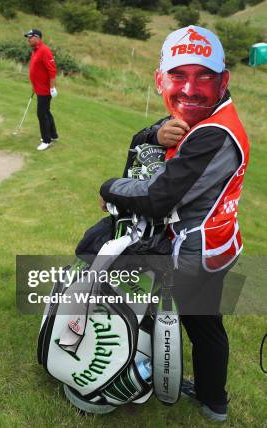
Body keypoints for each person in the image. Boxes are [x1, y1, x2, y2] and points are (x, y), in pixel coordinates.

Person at [99, 26, 250, 423]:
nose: (189, 89)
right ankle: (211, 399)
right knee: (203, 323)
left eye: (204, 76)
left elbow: (158, 197)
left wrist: (110, 188)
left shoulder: (213, 133)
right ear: (161, 79)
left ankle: (123, 376)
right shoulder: (210, 116)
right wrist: (152, 132)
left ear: (223, 80)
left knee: (132, 300)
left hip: (193, 252)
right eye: (178, 76)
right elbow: (156, 149)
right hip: (216, 244)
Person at [25, 29, 59, 151]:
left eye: (30, 37)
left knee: (41, 114)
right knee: (46, 112)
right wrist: (34, 85)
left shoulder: (44, 51)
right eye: (28, 38)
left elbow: (52, 71)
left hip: (45, 90)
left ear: (37, 38)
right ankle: (53, 135)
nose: (28, 40)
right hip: (39, 88)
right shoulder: (35, 51)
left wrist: (52, 88)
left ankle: (46, 140)